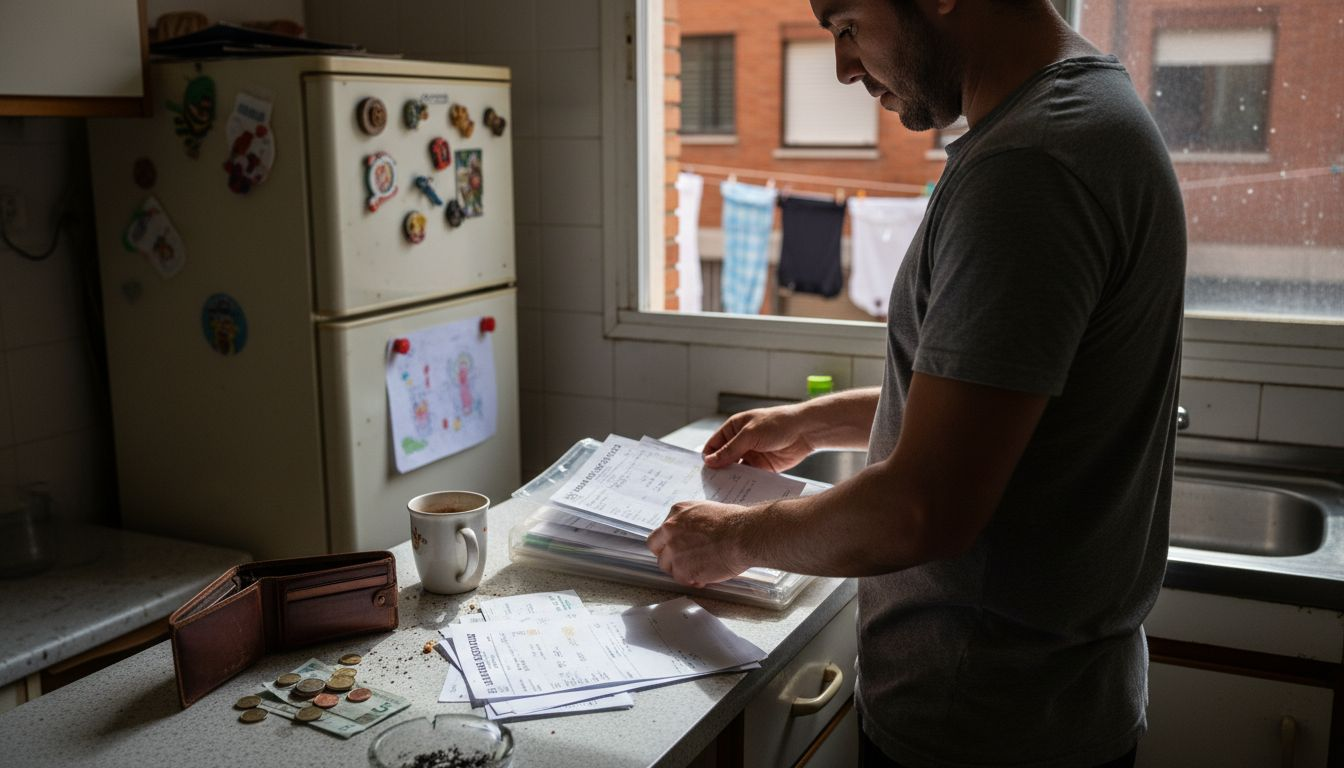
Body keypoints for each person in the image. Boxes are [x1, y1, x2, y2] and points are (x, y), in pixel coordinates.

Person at [646, 0, 1186, 765]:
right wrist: (814, 422)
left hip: (983, 724)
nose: (842, 65)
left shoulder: (1029, 166)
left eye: (846, 25)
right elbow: (1004, 409)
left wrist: (732, 539)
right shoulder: (1083, 112)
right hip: (1044, 708)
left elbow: (921, 507)